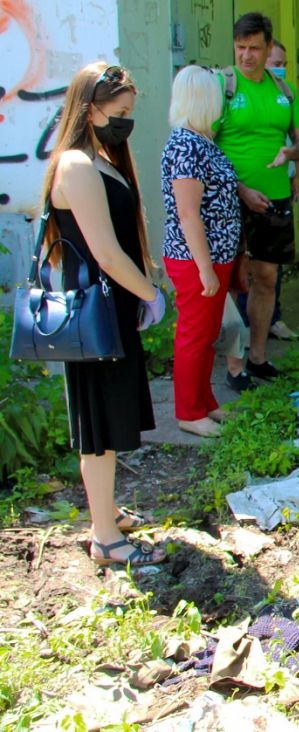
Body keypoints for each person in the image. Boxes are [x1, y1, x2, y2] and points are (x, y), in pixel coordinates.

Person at [41, 62, 167, 567]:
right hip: (97, 312)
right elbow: (107, 254)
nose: (125, 123)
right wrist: (150, 293)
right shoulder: (75, 164)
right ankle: (104, 538)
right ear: (89, 109)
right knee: (98, 429)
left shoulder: (100, 158)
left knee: (109, 423)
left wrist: (148, 280)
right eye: (119, 113)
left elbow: (121, 240)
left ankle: (105, 511)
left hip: (112, 308)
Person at [216, 12, 299, 381]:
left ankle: (257, 356)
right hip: (229, 199)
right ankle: (232, 363)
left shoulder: (283, 91)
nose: (246, 56)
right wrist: (239, 188)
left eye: (255, 48)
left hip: (273, 200)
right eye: (240, 48)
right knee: (229, 279)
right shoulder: (223, 86)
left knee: (266, 278)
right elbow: (204, 145)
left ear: (268, 47)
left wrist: (291, 153)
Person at [160, 66, 241, 437]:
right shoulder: (185, 146)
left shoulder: (200, 141)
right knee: (194, 334)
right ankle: (188, 412)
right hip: (196, 259)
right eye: (218, 95)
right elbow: (188, 214)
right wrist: (205, 268)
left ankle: (204, 401)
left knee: (208, 332)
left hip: (215, 256)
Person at [234, 38, 299, 343]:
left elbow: (298, 140)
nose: (281, 69)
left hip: (277, 195)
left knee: (271, 271)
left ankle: (271, 322)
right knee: (242, 268)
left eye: (284, 64)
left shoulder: (285, 94)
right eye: (277, 63)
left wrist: (296, 173)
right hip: (240, 198)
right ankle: (241, 330)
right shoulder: (231, 89)